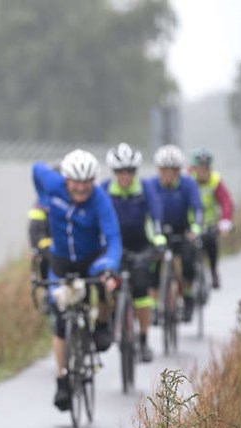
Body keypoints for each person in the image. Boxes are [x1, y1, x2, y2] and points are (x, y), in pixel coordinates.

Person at [33, 149, 121, 412]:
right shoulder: (54, 185)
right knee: (61, 320)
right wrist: (42, 198)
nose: (81, 188)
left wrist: (109, 267)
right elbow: (37, 167)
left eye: (87, 182)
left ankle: (103, 324)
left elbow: (114, 239)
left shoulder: (100, 201)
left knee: (105, 285)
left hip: (92, 259)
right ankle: (62, 380)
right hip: (60, 260)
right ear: (66, 179)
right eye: (76, 182)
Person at [102, 142, 163, 362]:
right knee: (107, 285)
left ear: (135, 172)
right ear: (114, 172)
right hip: (114, 246)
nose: (125, 176)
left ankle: (144, 340)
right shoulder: (105, 189)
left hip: (140, 245)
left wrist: (158, 239)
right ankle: (110, 319)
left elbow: (156, 215)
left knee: (141, 292)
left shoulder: (146, 188)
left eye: (130, 171)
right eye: (120, 171)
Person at [146, 144, 203, 322]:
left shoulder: (188, 184)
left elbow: (197, 208)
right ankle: (154, 306)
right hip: (158, 231)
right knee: (152, 263)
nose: (169, 174)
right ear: (159, 169)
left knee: (188, 260)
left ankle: (187, 297)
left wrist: (195, 228)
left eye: (173, 170)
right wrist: (154, 235)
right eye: (165, 170)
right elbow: (147, 213)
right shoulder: (151, 185)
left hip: (183, 231)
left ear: (179, 170)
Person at [189, 148, 234, 289]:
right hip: (190, 225)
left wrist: (225, 221)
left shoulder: (215, 181)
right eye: (200, 168)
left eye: (206, 168)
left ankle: (213, 271)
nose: (203, 171)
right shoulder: (188, 180)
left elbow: (226, 201)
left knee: (211, 246)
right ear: (194, 168)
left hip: (209, 223)